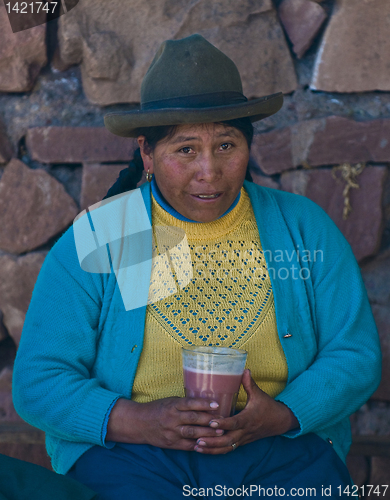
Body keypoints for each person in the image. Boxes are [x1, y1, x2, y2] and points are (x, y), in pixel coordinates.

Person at [12, 34, 381, 499]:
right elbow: (39, 381)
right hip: (133, 456)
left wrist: (285, 414)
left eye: (226, 145)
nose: (209, 171)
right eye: (185, 150)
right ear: (147, 153)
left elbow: (354, 354)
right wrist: (141, 421)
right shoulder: (113, 233)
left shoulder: (300, 228)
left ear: (248, 145)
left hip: (281, 449)